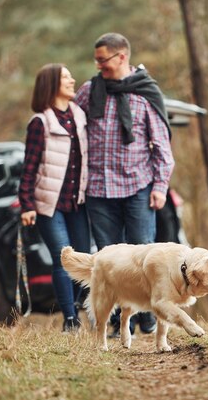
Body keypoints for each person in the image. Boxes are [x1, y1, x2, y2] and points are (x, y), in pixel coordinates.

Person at [73, 33, 175, 337]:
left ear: (121, 57)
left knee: (146, 257)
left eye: (103, 60)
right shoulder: (90, 91)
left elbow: (162, 146)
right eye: (96, 60)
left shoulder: (145, 93)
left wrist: (160, 186)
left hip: (138, 187)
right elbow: (71, 127)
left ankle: (150, 316)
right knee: (110, 262)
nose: (98, 65)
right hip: (99, 190)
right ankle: (115, 322)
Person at [18, 63, 90, 333]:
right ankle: (70, 319)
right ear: (52, 85)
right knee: (64, 258)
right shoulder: (40, 123)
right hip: (49, 205)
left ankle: (79, 306)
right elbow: (29, 168)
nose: (73, 80)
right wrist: (27, 204)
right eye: (66, 77)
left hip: (77, 203)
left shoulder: (80, 117)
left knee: (82, 261)